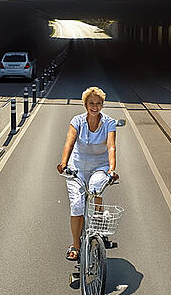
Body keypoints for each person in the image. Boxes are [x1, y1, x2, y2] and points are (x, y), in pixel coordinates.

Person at [57, 86, 118, 261]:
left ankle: (98, 228)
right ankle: (75, 245)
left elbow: (111, 147)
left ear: (102, 105)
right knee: (77, 205)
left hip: (99, 165)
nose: (95, 107)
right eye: (91, 103)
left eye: (99, 103)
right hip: (77, 166)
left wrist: (112, 169)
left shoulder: (109, 123)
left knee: (96, 186)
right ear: (85, 104)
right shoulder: (77, 121)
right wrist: (63, 163)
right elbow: (69, 143)